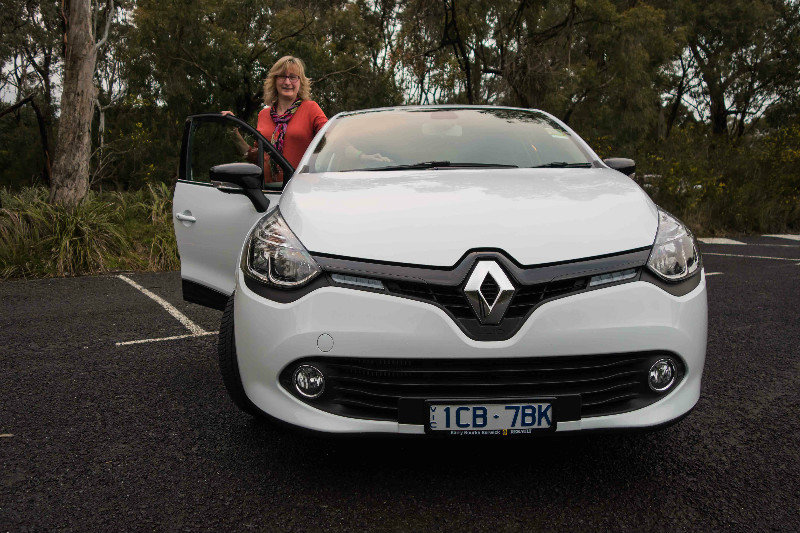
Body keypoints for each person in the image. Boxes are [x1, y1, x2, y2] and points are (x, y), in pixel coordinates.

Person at [224, 55, 327, 183]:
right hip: (268, 193)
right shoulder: (263, 114)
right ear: (274, 80)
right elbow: (257, 157)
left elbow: (331, 140)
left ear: (301, 82)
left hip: (300, 190)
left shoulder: (311, 108)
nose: (287, 82)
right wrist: (234, 131)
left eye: (293, 77)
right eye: (282, 76)